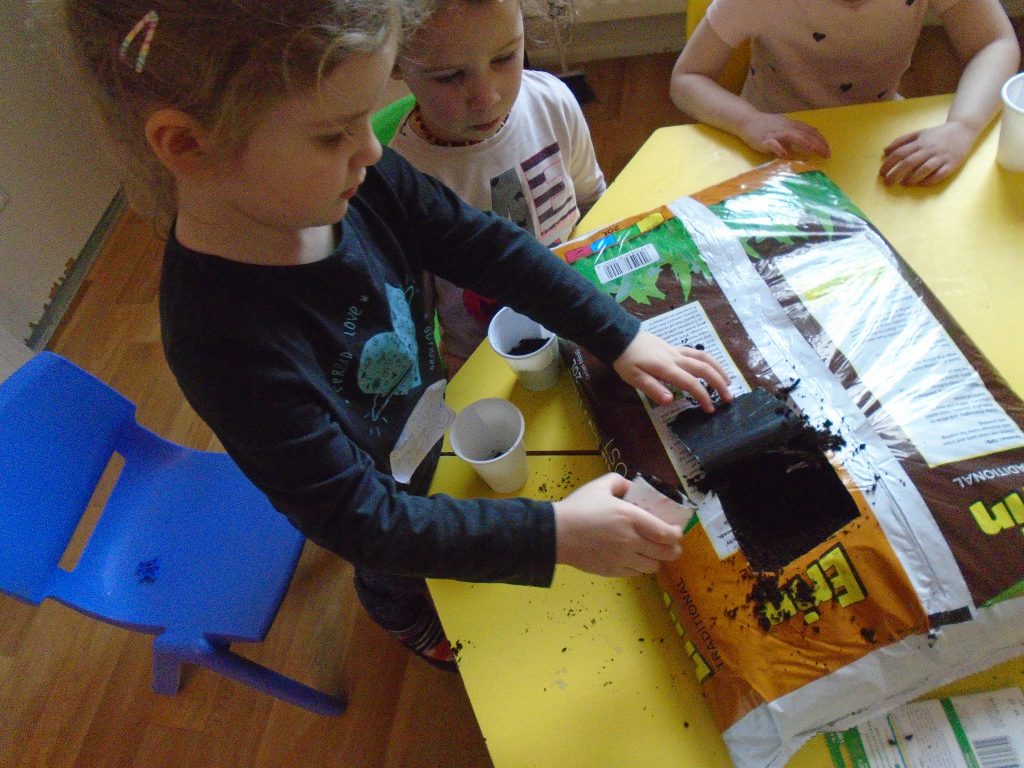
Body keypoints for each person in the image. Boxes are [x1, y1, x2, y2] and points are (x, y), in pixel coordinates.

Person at [63, 0, 732, 670]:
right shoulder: (220, 343)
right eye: (333, 135)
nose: (373, 148)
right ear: (187, 145)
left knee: (429, 487)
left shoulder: (359, 181)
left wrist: (620, 336)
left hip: (420, 416)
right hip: (370, 496)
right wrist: (553, 535)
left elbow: (485, 247)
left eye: (366, 117)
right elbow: (359, 519)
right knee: (398, 567)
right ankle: (400, 614)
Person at [389, 0, 606, 376]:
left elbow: (593, 204)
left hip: (580, 319)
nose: (486, 97)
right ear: (393, 61)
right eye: (449, 77)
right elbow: (414, 319)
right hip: (479, 358)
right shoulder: (400, 182)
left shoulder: (553, 103)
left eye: (504, 57)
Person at [670, 0, 1020, 186]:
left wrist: (962, 126)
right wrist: (749, 121)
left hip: (876, 135)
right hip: (772, 138)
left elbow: (994, 42)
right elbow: (687, 77)